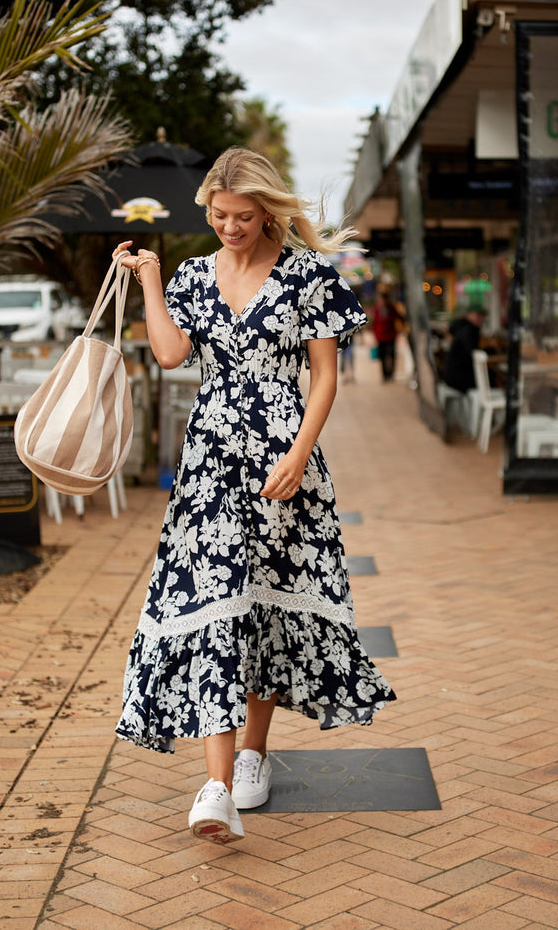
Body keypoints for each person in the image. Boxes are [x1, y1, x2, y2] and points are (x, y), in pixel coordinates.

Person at [111, 147, 396, 845]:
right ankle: (213, 786)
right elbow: (172, 355)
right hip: (209, 462)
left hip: (281, 459)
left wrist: (299, 453)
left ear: (267, 211)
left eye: (242, 216)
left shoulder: (307, 276)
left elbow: (323, 377)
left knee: (264, 605)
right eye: (216, 215)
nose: (228, 227)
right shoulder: (191, 275)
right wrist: (150, 278)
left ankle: (250, 757)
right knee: (212, 605)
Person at [442, 305, 485, 394]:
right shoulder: (468, 330)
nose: (480, 318)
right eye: (478, 315)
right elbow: (472, 352)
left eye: (482, 316)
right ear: (469, 315)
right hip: (458, 378)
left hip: (451, 375)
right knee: (491, 378)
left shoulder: (461, 328)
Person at [369, 286, 402, 381]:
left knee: (392, 354)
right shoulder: (376, 308)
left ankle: (391, 373)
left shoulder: (391, 307)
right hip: (380, 336)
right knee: (382, 356)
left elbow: (398, 317)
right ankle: (385, 375)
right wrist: (374, 334)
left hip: (391, 335)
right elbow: (374, 322)